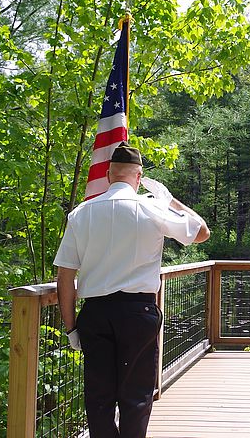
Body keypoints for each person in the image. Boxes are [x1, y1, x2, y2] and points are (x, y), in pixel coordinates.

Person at [54, 142, 210, 438]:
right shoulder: (151, 208)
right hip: (138, 313)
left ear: (109, 175)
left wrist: (71, 328)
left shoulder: (81, 214)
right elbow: (201, 232)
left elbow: (65, 276)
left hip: (96, 314)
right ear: (139, 177)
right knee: (136, 396)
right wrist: (172, 200)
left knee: (98, 397)